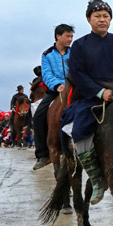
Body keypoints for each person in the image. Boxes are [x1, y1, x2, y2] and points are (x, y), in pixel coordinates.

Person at [61, 0, 113, 204]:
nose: (102, 20)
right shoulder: (79, 45)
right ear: (89, 19)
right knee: (79, 130)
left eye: (106, 16)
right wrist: (99, 92)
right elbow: (77, 74)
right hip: (91, 97)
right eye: (97, 16)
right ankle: (96, 179)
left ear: (111, 19)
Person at [33, 24, 74, 170]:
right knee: (38, 116)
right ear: (58, 36)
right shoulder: (47, 54)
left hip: (73, 89)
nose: (70, 39)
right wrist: (57, 85)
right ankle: (43, 154)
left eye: (71, 36)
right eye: (67, 36)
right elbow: (47, 74)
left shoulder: (75, 52)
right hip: (55, 90)